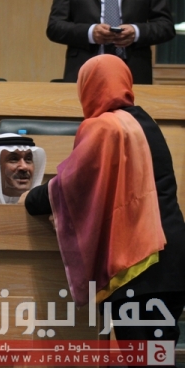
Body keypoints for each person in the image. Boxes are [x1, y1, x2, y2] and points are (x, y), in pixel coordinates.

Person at [22, 54, 185, 346]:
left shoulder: (105, 127)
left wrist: (31, 199)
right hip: (172, 259)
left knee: (143, 359)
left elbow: (72, 185)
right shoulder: (146, 123)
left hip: (139, 262)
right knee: (159, 355)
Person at [47, 0, 175, 84]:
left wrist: (136, 32)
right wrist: (90, 33)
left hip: (133, 71)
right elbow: (55, 26)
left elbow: (166, 26)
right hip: (84, 69)